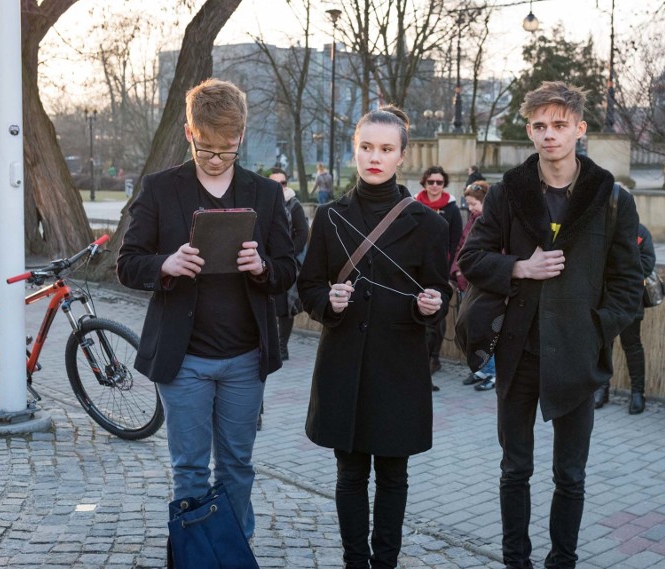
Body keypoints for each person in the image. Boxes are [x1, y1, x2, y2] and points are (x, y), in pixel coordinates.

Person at [458, 81, 643, 569]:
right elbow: (471, 258)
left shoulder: (611, 198)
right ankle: (515, 560)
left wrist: (596, 329)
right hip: (518, 351)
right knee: (514, 469)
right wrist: (520, 267)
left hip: (577, 353)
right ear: (529, 130)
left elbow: (629, 282)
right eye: (539, 126)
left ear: (579, 129)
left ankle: (563, 560)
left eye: (559, 125)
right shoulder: (507, 193)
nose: (549, 135)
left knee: (571, 475)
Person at [116, 78, 296, 542]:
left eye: (227, 149)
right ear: (189, 132)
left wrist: (261, 267)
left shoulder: (265, 194)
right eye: (207, 148)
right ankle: (196, 554)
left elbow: (288, 269)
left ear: (241, 136)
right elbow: (127, 263)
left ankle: (233, 552)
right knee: (190, 469)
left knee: (237, 467)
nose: (216, 159)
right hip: (184, 359)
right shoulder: (159, 189)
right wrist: (166, 264)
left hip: (244, 359)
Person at [297, 105, 450, 569]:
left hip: (398, 365)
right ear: (355, 150)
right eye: (366, 147)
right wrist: (329, 302)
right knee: (349, 473)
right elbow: (307, 286)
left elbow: (440, 288)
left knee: (393, 474)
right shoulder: (328, 216)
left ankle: (385, 562)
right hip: (343, 361)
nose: (375, 157)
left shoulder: (429, 224)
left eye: (386, 149)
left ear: (402, 155)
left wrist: (429, 304)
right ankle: (354, 562)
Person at [594, 223, 656, 414]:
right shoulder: (603, 228)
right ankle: (602, 390)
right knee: (605, 345)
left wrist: (620, 270)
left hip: (630, 300)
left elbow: (647, 262)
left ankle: (638, 394)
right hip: (605, 299)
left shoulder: (640, 232)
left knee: (632, 346)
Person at [414, 165, 462, 389]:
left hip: (440, 270)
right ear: (424, 182)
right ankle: (419, 360)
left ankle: (433, 358)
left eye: (439, 182)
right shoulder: (414, 205)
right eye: (431, 182)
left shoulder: (451, 209)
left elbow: (456, 242)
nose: (434, 186)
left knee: (436, 317)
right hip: (415, 269)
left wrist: (451, 271)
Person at [451, 181, 497, 391]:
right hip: (465, 282)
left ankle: (492, 372)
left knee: (486, 330)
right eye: (468, 204)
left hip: (482, 286)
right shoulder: (472, 220)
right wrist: (455, 270)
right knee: (469, 327)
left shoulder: (493, 222)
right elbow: (462, 246)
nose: (470, 208)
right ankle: (480, 369)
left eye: (474, 204)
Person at [268, 167, 309, 361]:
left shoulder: (294, 205)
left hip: (288, 262)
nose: (279, 187)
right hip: (268, 262)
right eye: (275, 184)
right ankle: (270, 345)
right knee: (269, 305)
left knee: (286, 306)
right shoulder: (263, 204)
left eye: (282, 183)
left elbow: (302, 232)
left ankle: (282, 346)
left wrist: (289, 253)